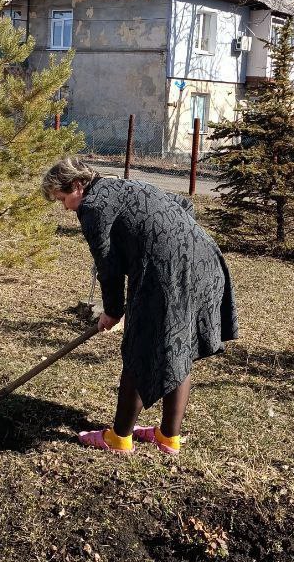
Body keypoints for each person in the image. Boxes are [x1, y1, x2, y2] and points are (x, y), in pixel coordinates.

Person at [43, 155, 237, 455]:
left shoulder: (92, 207)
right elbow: (183, 205)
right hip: (205, 262)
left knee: (139, 348)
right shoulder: (127, 186)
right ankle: (168, 437)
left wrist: (113, 311)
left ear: (78, 185)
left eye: (63, 198)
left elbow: (108, 266)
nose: (66, 207)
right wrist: (172, 244)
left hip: (166, 275)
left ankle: (119, 438)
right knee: (179, 345)